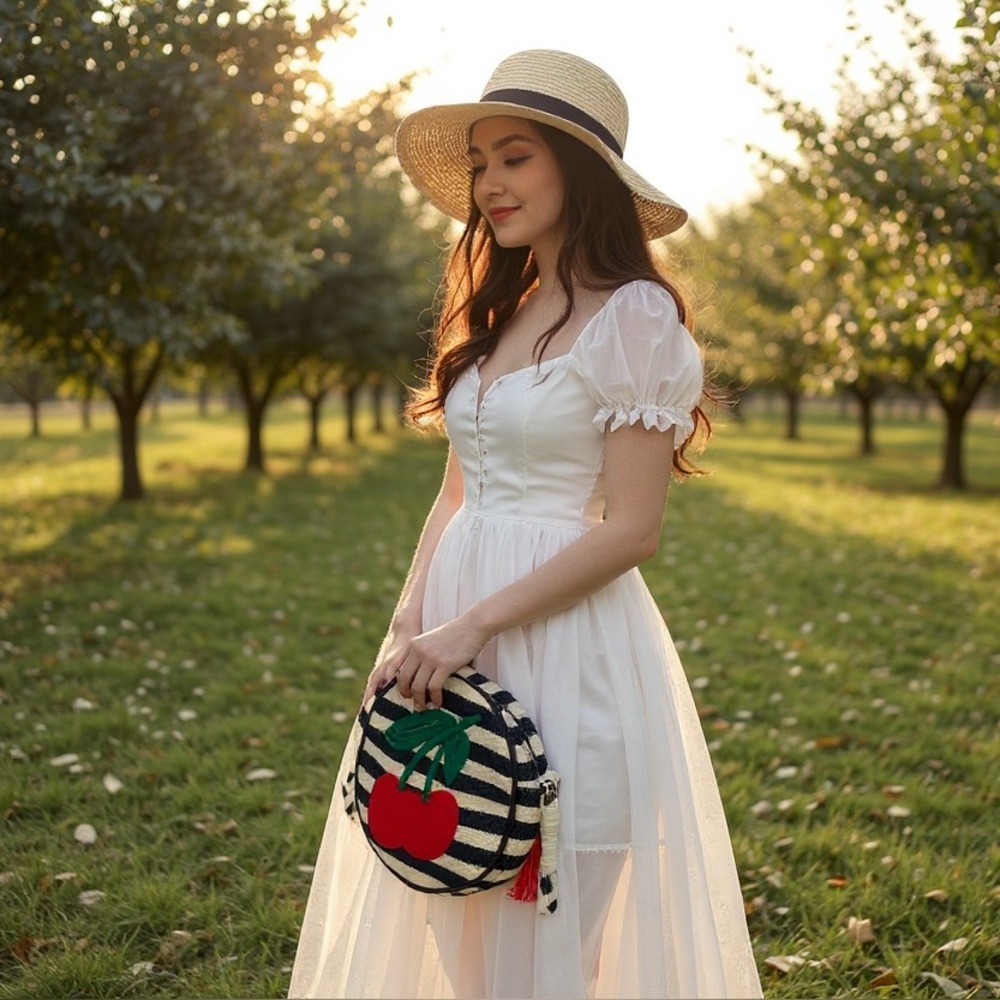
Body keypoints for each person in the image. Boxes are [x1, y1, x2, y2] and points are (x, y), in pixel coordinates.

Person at [288, 49, 763, 999]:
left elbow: (630, 531)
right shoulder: (504, 310)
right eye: (478, 163)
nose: (489, 183)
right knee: (451, 905)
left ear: (577, 171)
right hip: (455, 638)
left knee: (554, 924)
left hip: (566, 644)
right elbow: (458, 494)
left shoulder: (633, 318)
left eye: (515, 157)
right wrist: (410, 627)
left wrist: (475, 626)